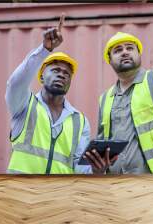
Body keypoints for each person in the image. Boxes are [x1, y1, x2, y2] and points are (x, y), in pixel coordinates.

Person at [84, 4, 153, 175]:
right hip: (121, 185)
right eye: (118, 50)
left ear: (139, 55)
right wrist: (100, 167)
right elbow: (104, 143)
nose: (125, 52)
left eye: (130, 48)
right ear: (110, 61)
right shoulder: (106, 98)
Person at [5, 14, 91, 174]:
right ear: (42, 75)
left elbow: (82, 168)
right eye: (56, 70)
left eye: (67, 73)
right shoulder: (24, 106)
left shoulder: (80, 121)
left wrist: (98, 171)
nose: (62, 75)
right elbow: (15, 83)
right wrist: (45, 50)